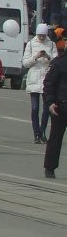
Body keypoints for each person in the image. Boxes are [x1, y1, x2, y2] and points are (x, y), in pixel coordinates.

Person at [25, 24, 55, 145]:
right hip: (34, 78)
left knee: (46, 109)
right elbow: (25, 63)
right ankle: (36, 133)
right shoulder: (31, 44)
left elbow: (56, 61)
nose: (42, 37)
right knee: (35, 108)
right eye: (40, 35)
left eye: (44, 35)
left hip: (47, 79)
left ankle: (42, 132)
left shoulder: (51, 44)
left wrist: (48, 56)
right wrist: (36, 57)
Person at [44, 29, 67, 178]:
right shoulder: (59, 62)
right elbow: (49, 84)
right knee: (55, 138)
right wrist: (50, 102)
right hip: (61, 105)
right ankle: (50, 167)